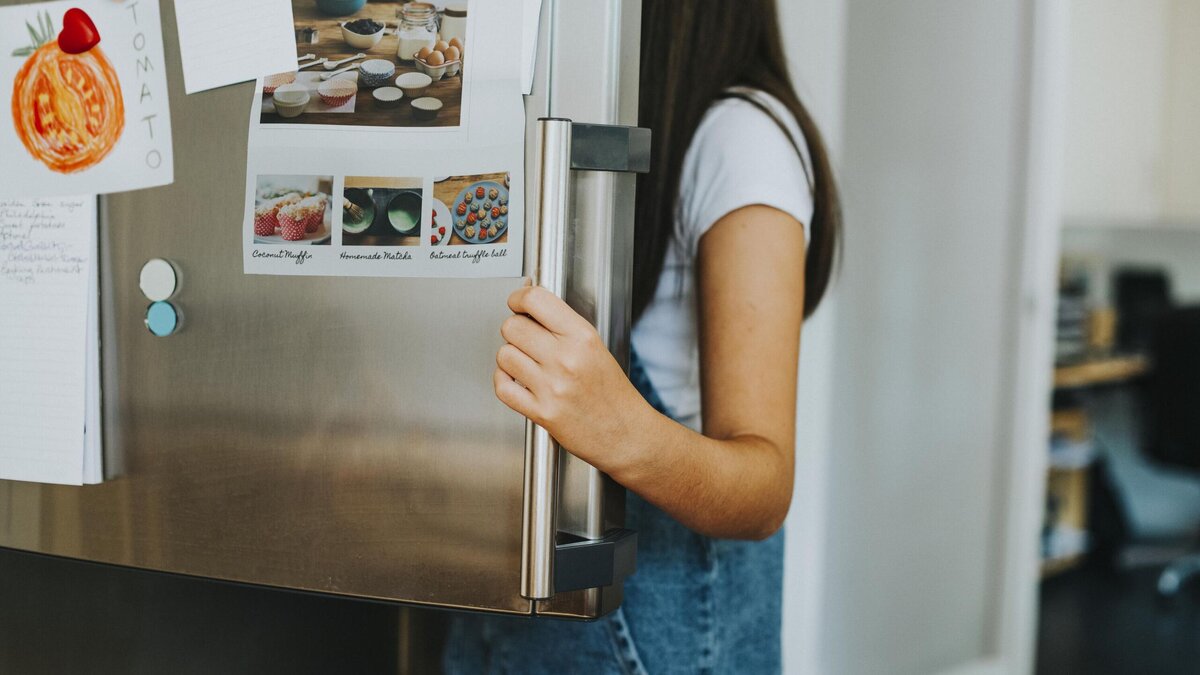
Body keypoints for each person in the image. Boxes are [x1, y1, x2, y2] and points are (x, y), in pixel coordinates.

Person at [444, 0, 841, 672]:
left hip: (651, 640)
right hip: (502, 610)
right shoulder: (576, 111)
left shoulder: (742, 137)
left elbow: (765, 484)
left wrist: (615, 424)